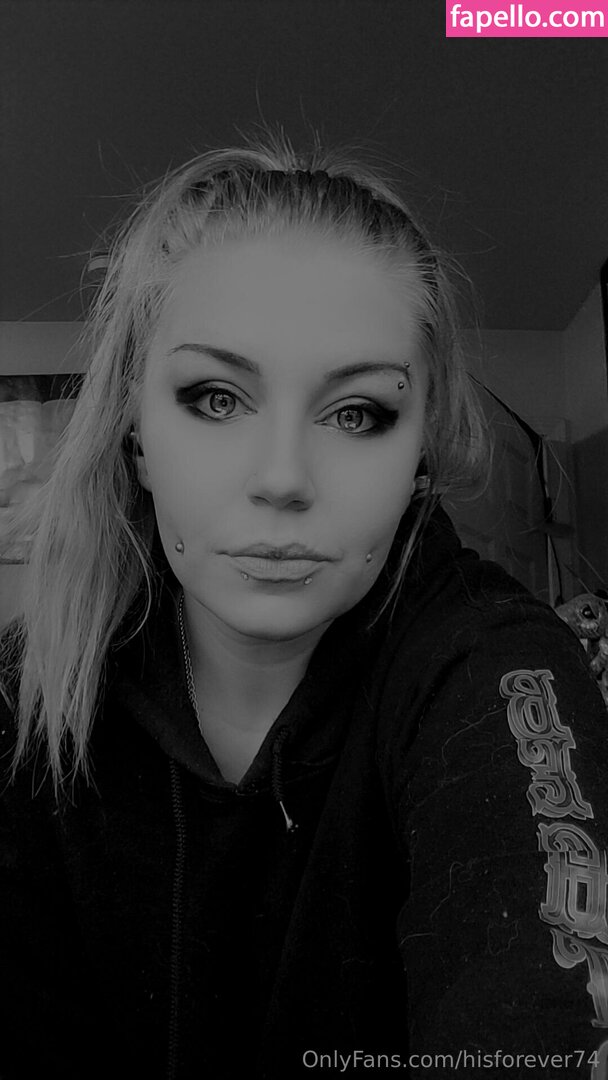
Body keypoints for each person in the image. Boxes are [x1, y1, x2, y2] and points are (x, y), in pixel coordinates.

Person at [1, 128, 607, 1080]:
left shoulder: (495, 666)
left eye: (357, 413)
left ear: (419, 457)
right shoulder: (24, 695)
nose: (283, 478)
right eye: (215, 398)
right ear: (137, 436)